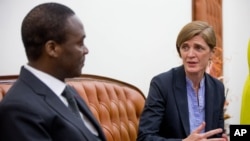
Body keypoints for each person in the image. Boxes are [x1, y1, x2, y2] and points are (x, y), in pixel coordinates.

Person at [0, 2, 106, 141]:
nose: (86, 50)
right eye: (80, 43)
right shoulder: (18, 110)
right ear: (52, 49)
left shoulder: (67, 91)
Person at [137, 21, 228, 141]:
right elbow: (144, 137)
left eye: (198, 48)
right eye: (185, 47)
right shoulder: (161, 84)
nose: (190, 54)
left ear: (212, 53)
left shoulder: (217, 88)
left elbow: (217, 133)